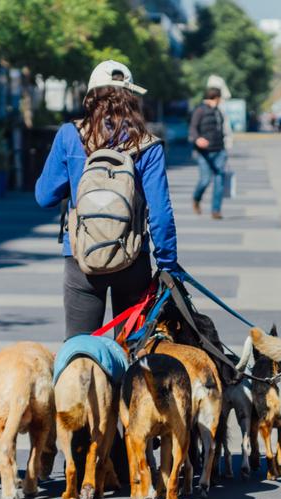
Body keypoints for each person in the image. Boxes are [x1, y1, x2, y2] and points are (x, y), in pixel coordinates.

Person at [35, 60, 179, 339]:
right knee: (132, 352)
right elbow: (161, 213)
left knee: (80, 353)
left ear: (90, 97)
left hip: (81, 258)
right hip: (132, 259)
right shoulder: (147, 144)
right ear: (132, 99)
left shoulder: (69, 135)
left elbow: (44, 197)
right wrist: (168, 266)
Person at [189, 87, 227, 220]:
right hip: (204, 153)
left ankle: (216, 210)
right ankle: (196, 198)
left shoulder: (218, 112)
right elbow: (193, 128)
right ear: (216, 98)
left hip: (220, 150)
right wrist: (197, 139)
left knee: (219, 179)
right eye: (220, 98)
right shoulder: (199, 110)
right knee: (205, 180)